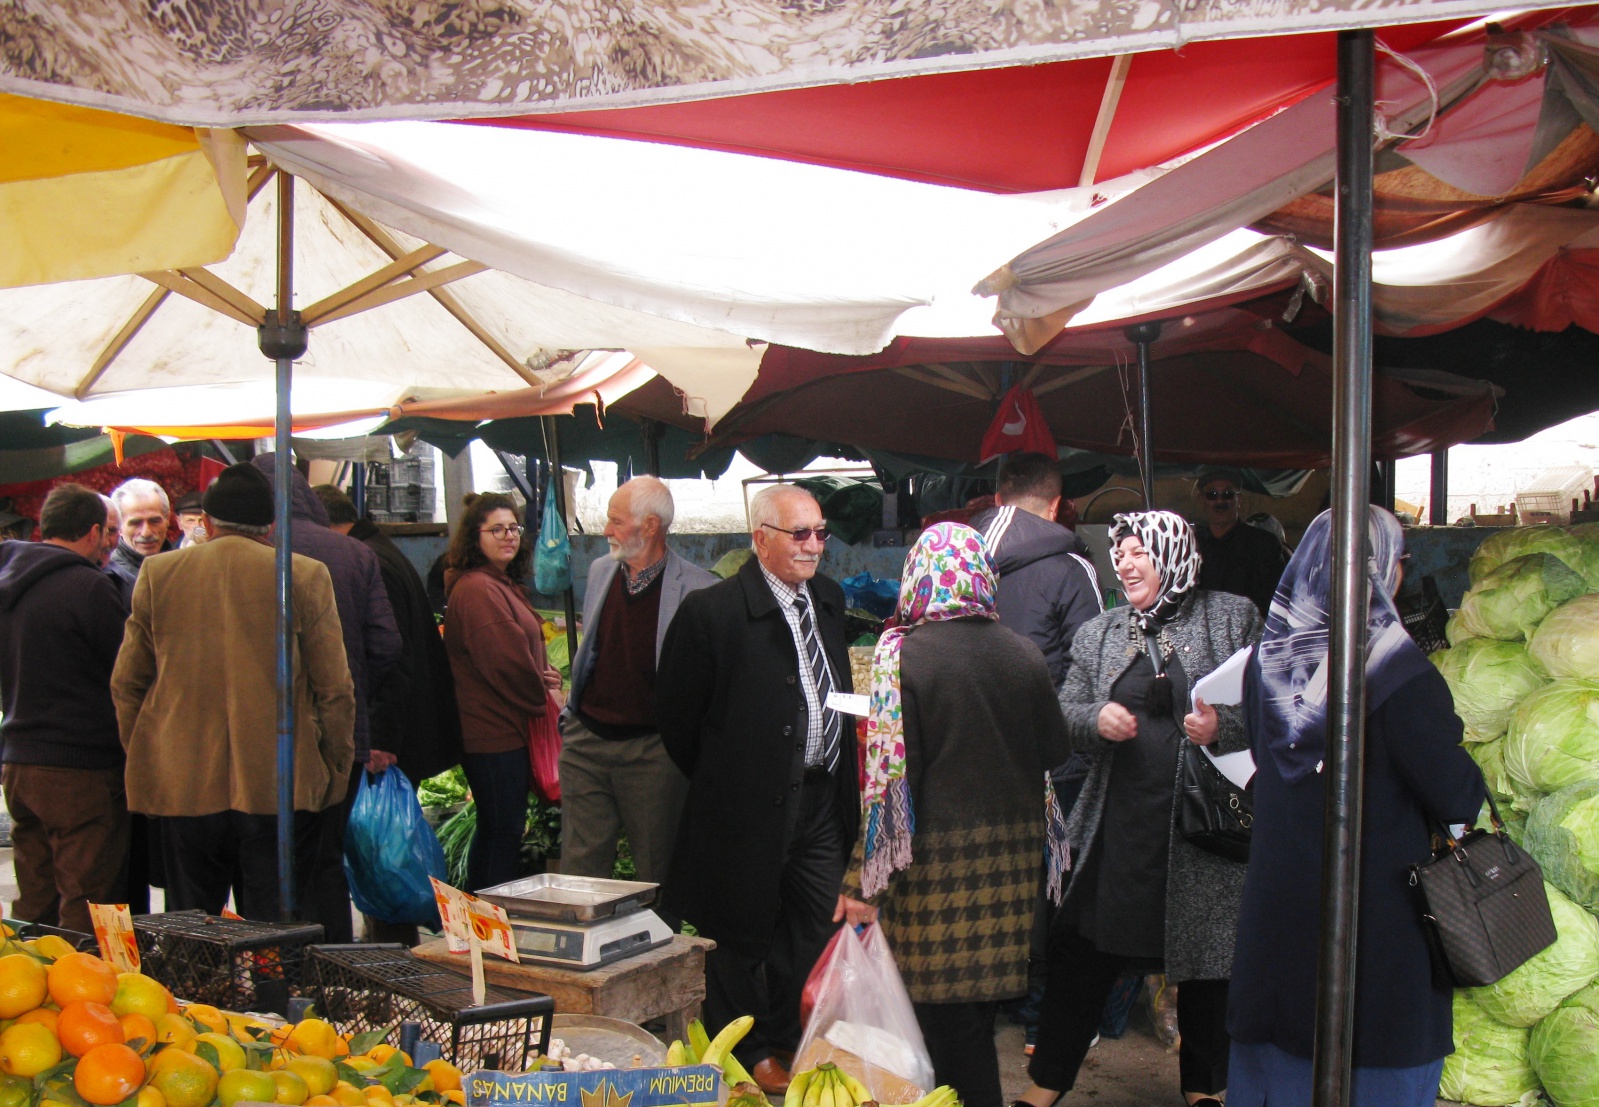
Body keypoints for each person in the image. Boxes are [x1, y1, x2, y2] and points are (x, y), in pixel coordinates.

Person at [1226, 508, 1486, 1107]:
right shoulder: (1396, 672)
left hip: (1279, 919)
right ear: (1375, 572)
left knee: (1283, 1066)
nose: (1400, 573)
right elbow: (1456, 795)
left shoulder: (1269, 661)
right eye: (1398, 560)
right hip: (1373, 930)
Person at [1015, 511, 1262, 1107]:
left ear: (1172, 554)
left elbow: (1272, 703)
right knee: (1081, 954)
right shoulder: (1100, 632)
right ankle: (1046, 1084)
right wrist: (1094, 720)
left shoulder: (1232, 617)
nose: (1122, 563)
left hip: (1202, 829)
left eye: (1135, 552)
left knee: (1209, 967)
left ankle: (1205, 1089)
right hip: (1119, 827)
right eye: (1117, 553)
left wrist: (1220, 726)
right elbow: (1063, 710)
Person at [833, 523, 1070, 1107]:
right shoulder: (1024, 654)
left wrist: (862, 882)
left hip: (935, 878)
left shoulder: (903, 657)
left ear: (919, 576)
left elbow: (893, 786)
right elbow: (1056, 753)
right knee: (972, 1024)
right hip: (1010, 871)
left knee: (948, 1036)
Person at [656, 485, 857, 1094]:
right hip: (745, 806)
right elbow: (678, 722)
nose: (815, 546)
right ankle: (748, 1049)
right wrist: (734, 775)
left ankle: (793, 1035)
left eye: (822, 533)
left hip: (820, 799)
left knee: (817, 924)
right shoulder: (711, 613)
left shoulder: (827, 598)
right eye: (801, 534)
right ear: (760, 537)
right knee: (739, 932)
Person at [111, 463, 356, 920]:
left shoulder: (158, 574)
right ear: (270, 525)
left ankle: (200, 993)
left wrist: (148, 752)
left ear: (205, 521)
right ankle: (271, 989)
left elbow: (128, 683)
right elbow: (335, 688)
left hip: (184, 781)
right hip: (280, 782)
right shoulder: (302, 574)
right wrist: (334, 769)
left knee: (194, 927)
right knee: (275, 928)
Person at [251, 454, 402, 942]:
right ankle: (336, 970)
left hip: (262, 741)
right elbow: (386, 644)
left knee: (268, 864)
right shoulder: (353, 553)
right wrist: (359, 697)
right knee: (325, 859)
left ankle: (280, 974)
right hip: (341, 736)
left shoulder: (253, 550)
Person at [561, 476, 716, 885]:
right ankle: (582, 947)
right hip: (586, 743)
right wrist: (569, 717)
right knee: (580, 870)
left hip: (652, 753)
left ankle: (661, 948)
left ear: (650, 526)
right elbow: (591, 647)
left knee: (656, 871)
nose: (606, 531)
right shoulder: (600, 571)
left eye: (616, 521)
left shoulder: (699, 590)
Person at [0, 485, 130, 934]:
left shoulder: (9, 584)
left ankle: (25, 988)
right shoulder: (90, 587)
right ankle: (87, 991)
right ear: (94, 532)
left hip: (19, 760)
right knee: (89, 896)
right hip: (80, 768)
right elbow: (124, 671)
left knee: (34, 893)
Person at [442, 492, 563, 891]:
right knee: (500, 831)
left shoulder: (499, 584)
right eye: (496, 529)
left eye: (513, 528)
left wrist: (542, 674)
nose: (508, 536)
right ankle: (485, 927)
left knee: (501, 827)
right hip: (491, 733)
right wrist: (539, 693)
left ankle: (486, 924)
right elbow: (504, 661)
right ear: (474, 537)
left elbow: (518, 652)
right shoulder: (478, 589)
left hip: (503, 728)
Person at [312, 485, 463, 785]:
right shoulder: (376, 550)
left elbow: (392, 653)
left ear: (323, 525)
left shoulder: (371, 561)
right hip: (405, 728)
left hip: (397, 737)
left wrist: (380, 737)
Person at [970, 453, 1102, 686]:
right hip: (1045, 717)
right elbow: (1094, 665)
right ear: (1055, 505)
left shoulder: (954, 564)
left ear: (998, 501)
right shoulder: (1074, 570)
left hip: (971, 718)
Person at [1192, 468, 1286, 618]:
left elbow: (1273, 601)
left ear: (1239, 499)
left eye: (1228, 495)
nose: (1220, 502)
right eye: (1212, 495)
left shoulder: (1264, 544)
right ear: (1202, 500)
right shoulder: (1190, 545)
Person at [104, 478, 173, 607]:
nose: (146, 532)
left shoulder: (185, 567)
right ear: (119, 526)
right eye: (135, 523)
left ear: (167, 520)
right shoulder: (109, 579)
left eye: (154, 521)